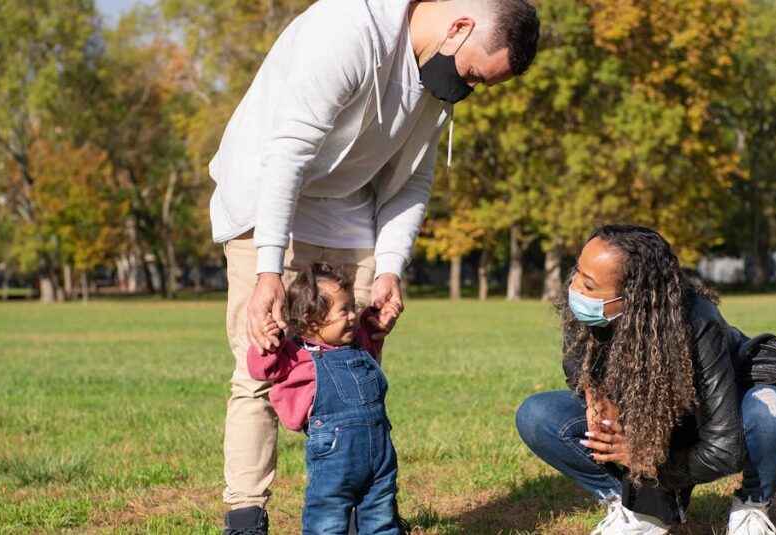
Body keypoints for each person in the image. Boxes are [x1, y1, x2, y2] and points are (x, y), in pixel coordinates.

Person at [207, 0, 540, 532]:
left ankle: (365, 513)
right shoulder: (348, 30)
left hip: (348, 214)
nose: (469, 89)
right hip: (269, 204)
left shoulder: (437, 79)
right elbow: (287, 154)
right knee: (260, 368)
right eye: (474, 74)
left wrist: (389, 268)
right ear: (459, 28)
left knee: (355, 363)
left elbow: (412, 180)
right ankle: (246, 515)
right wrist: (269, 271)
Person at [515, 225, 776, 535]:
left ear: (634, 296)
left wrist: (643, 459)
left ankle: (751, 505)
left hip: (714, 419)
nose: (575, 289)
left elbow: (724, 449)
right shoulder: (586, 311)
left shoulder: (698, 322)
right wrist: (596, 398)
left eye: (589, 285)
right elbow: (577, 366)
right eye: (577, 272)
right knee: (537, 415)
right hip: (646, 425)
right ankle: (633, 506)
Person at [247, 262, 405, 534]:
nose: (353, 316)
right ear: (310, 318)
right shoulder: (296, 355)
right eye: (344, 310)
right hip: (334, 459)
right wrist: (271, 340)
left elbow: (372, 334)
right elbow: (261, 369)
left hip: (380, 455)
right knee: (327, 519)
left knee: (381, 516)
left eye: (353, 306)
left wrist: (373, 318)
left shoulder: (358, 343)